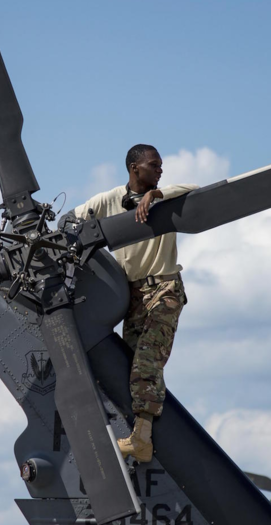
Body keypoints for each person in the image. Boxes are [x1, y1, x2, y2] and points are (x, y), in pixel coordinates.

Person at [73, 144, 198, 463]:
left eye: (160, 166)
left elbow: (198, 191)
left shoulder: (164, 196)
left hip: (165, 289)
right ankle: (144, 434)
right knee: (131, 368)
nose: (160, 170)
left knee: (146, 363)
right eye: (154, 165)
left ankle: (141, 438)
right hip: (132, 299)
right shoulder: (110, 200)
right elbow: (72, 221)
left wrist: (155, 196)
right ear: (134, 168)